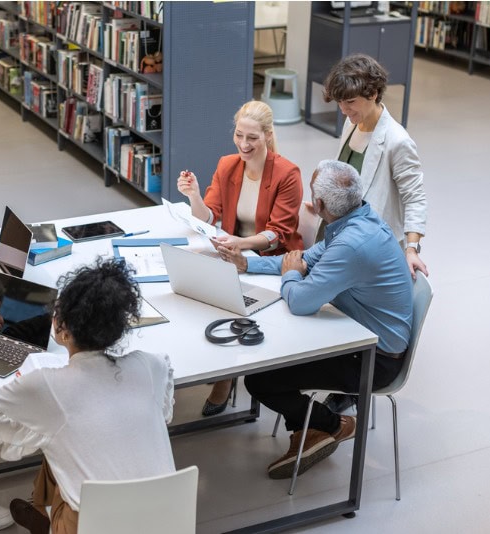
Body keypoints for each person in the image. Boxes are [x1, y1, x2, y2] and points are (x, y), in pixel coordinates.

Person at [217, 160, 413, 479]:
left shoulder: (351, 244)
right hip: (359, 334)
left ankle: (333, 425)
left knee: (260, 379)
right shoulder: (358, 219)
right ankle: (309, 433)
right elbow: (303, 259)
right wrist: (247, 265)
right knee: (271, 359)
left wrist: (290, 277)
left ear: (319, 205)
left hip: (374, 359)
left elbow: (300, 301)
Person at [0, 258, 176, 534]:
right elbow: (165, 407)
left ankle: (42, 521)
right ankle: (39, 513)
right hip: (167, 519)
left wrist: (33, 428)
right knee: (67, 434)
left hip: (92, 527)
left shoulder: (47, 384)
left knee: (52, 435)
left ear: (61, 327)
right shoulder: (149, 365)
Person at [176, 99, 304, 416]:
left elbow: (279, 233)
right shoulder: (227, 165)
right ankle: (219, 364)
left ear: (268, 136)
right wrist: (193, 196)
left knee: (226, 298)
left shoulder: (288, 174)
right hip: (234, 253)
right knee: (198, 290)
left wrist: (241, 243)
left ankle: (226, 377)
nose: (244, 145)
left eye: (252, 138)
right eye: (239, 136)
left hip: (272, 260)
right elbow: (209, 216)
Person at [320, 53, 429, 413]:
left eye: (350, 103)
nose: (344, 110)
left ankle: (352, 387)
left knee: (360, 313)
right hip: (345, 231)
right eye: (340, 104)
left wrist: (412, 247)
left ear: (374, 93)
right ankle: (338, 369)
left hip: (370, 241)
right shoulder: (353, 125)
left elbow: (415, 195)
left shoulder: (397, 140)